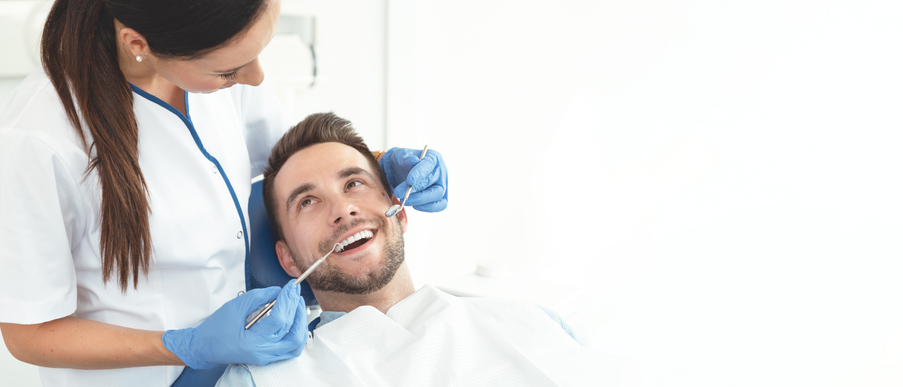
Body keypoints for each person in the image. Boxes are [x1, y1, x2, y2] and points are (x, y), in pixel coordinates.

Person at [0, 1, 448, 386]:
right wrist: (187, 346)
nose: (255, 78)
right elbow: (27, 332)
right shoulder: (40, 142)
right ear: (139, 45)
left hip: (254, 361)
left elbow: (291, 168)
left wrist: (379, 162)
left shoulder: (220, 63)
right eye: (229, 70)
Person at [216, 112, 593, 386]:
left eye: (354, 184)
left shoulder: (534, 323)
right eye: (308, 202)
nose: (342, 210)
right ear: (287, 259)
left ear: (399, 213)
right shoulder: (260, 381)